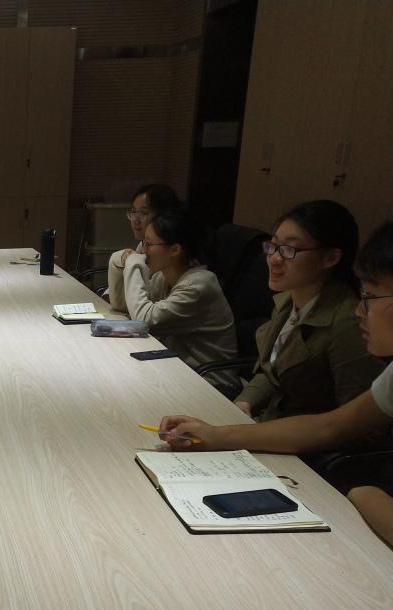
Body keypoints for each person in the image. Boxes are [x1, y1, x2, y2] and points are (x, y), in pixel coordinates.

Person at [158, 221, 393, 545]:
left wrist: (363, 494)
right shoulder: (285, 304)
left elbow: (348, 435)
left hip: (322, 468)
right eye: (272, 246)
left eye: (369, 296)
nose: (359, 310)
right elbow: (330, 425)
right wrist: (216, 434)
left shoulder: (342, 325)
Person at [235, 200, 383, 420]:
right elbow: (273, 370)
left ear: (331, 258)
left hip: (302, 438)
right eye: (273, 245)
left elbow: (360, 423)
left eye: (289, 249)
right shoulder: (288, 300)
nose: (274, 258)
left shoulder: (347, 323)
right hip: (269, 425)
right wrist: (245, 402)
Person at [107, 207, 239, 392]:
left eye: (148, 244)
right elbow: (122, 305)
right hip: (175, 369)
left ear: (175, 249)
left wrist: (133, 263)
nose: (143, 251)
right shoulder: (163, 277)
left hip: (211, 384)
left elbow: (143, 319)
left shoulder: (199, 285)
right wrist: (117, 261)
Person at [104, 184, 181, 298]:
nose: (135, 220)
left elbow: (146, 300)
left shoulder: (167, 255)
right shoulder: (143, 244)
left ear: (163, 216)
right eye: (133, 212)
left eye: (143, 213)